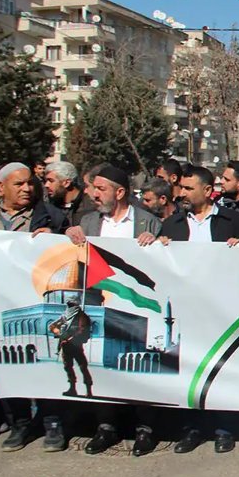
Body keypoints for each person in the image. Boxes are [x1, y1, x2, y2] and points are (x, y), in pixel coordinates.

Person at [63, 166, 162, 456]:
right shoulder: (88, 221)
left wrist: (158, 243)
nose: (94, 194)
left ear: (119, 192)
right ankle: (106, 426)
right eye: (93, 188)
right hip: (98, 306)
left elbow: (163, 264)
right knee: (100, 364)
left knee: (138, 364)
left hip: (134, 309)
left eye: (101, 189)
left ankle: (145, 428)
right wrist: (68, 234)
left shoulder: (147, 221)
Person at [0, 162, 68, 453]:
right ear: (0, 188)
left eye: (30, 183)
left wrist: (57, 238)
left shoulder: (51, 215)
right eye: (19, 184)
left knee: (47, 361)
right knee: (5, 363)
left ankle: (52, 422)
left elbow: (71, 252)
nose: (27, 189)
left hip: (39, 303)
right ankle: (19, 423)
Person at [157, 165, 239, 454]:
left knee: (221, 369)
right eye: (181, 188)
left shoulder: (235, 222)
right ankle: (191, 428)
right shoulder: (172, 225)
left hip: (222, 308)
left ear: (208, 191)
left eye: (188, 188)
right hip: (186, 310)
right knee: (188, 369)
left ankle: (225, 428)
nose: (182, 193)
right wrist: (158, 246)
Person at [44, 161, 93, 226]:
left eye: (51, 181)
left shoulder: (90, 206)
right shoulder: (49, 205)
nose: (46, 185)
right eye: (46, 181)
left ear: (66, 183)